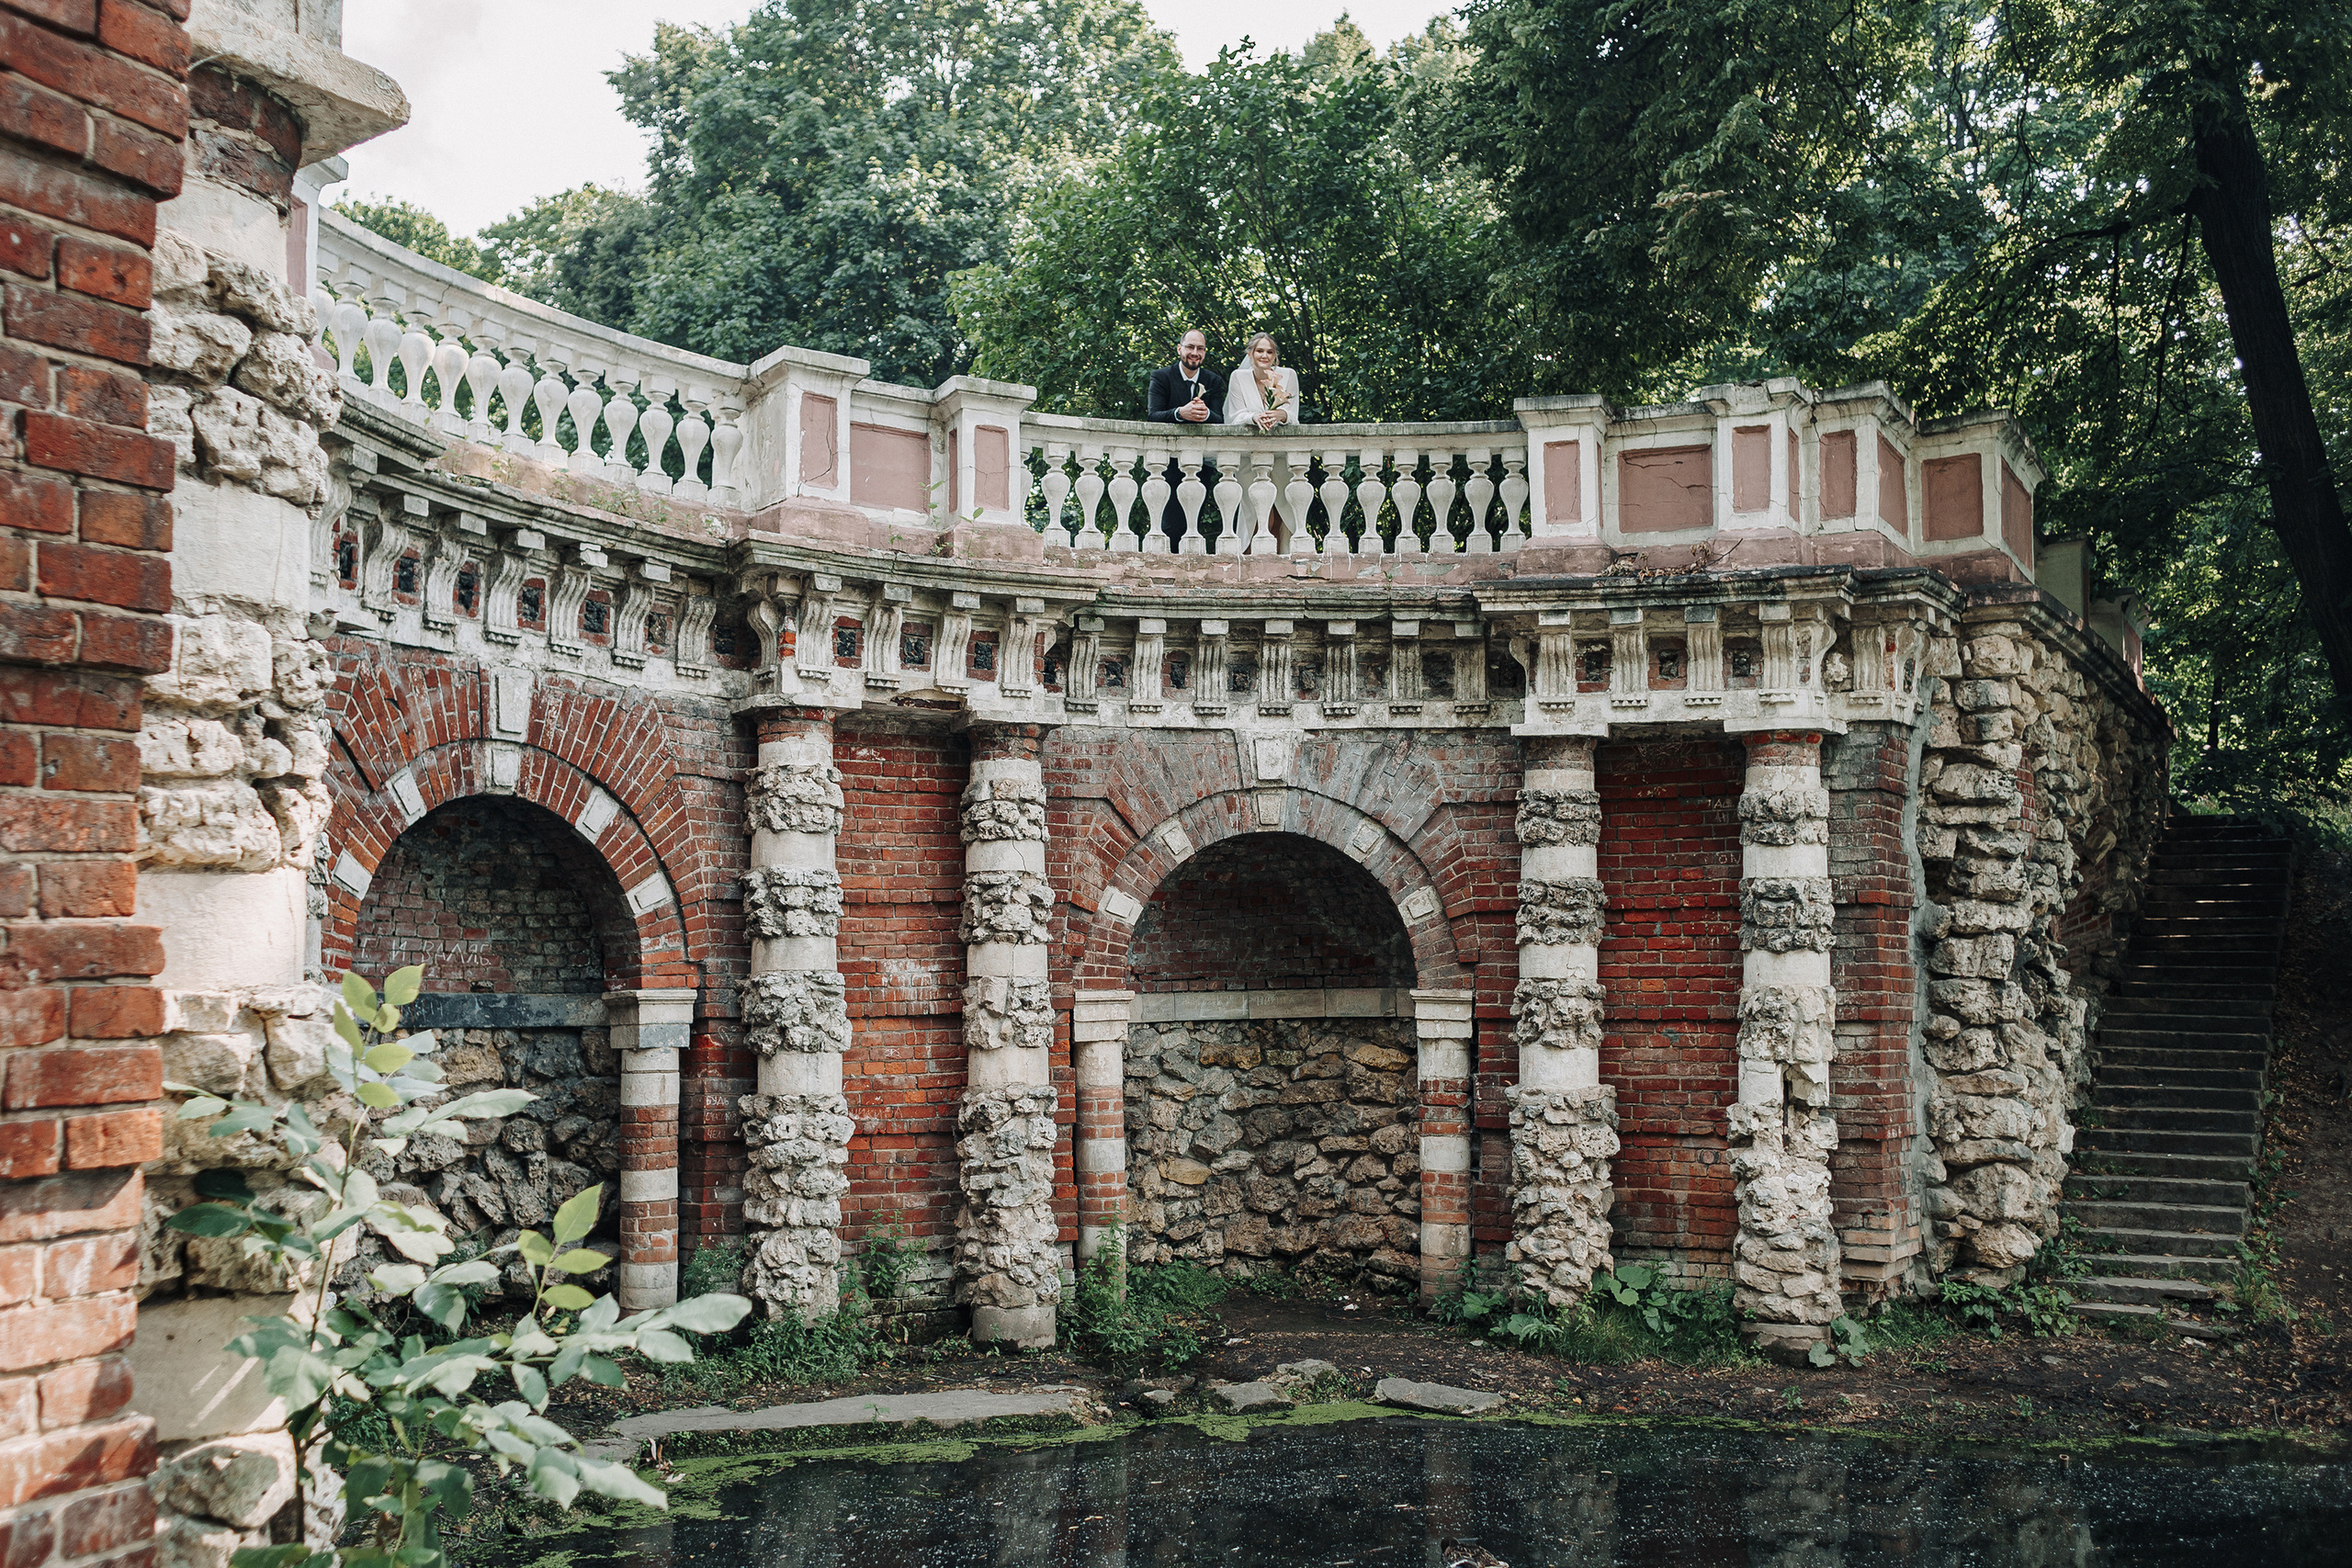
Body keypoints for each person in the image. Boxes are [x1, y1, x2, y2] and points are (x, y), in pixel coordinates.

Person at [1224, 333, 1301, 433]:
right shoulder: (1238, 377)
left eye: (1269, 352)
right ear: (1250, 354)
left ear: (1275, 356)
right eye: (1260, 351)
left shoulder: (1289, 375)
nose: (1264, 356)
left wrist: (1283, 415)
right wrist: (1253, 418)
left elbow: (1294, 418)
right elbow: (1235, 418)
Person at [1147, 330, 1226, 425]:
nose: (1195, 353)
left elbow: (1219, 420)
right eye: (1190, 347)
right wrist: (1179, 413)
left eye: (1200, 348)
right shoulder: (1161, 377)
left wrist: (1206, 414)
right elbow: (1153, 416)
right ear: (1179, 349)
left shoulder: (1213, 380)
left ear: (1204, 352)